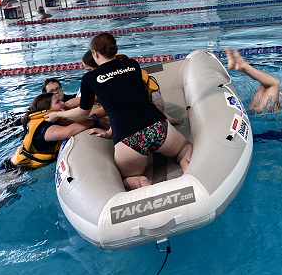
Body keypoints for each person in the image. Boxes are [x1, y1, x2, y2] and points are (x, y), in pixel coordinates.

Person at [45, 33, 192, 190]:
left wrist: (58, 114)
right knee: (184, 149)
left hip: (128, 140)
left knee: (129, 178)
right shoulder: (132, 65)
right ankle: (185, 165)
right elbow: (127, 97)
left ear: (95, 53)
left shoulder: (90, 79)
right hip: (157, 127)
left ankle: (141, 182)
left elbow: (82, 113)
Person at [1, 92, 107, 170]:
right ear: (47, 109)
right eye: (57, 102)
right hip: (15, 170)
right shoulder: (45, 128)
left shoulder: (51, 119)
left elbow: (77, 117)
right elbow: (68, 132)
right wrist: (94, 121)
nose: (62, 103)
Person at [225, 48, 282, 114]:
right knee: (266, 84)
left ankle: (243, 66)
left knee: (275, 83)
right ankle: (240, 65)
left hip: (264, 111)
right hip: (256, 108)